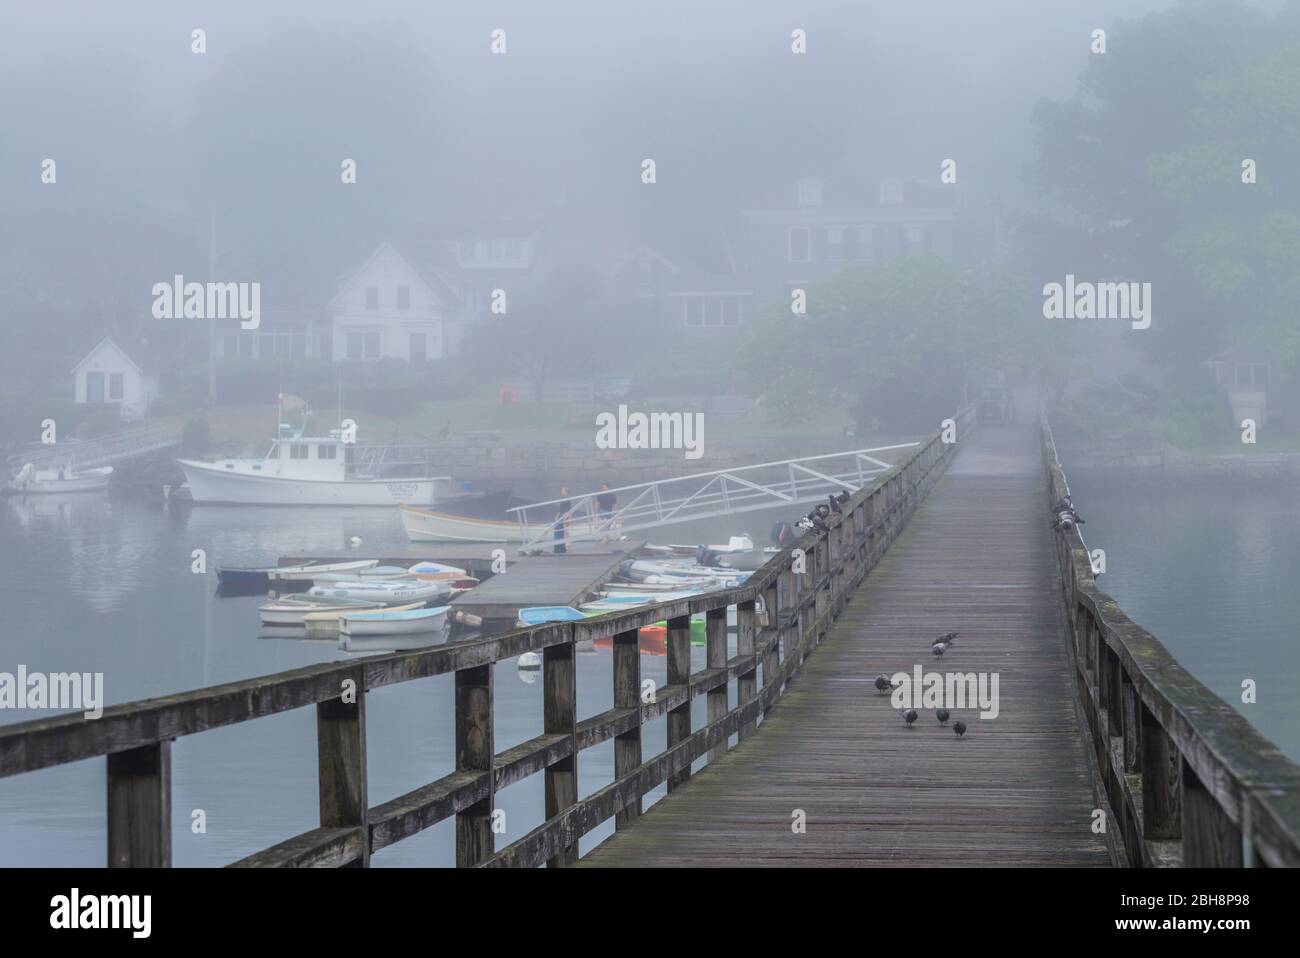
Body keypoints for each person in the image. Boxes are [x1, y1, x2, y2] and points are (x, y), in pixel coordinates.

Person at [553, 488, 571, 554]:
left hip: (564, 516)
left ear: (566, 492)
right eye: (561, 491)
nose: (561, 491)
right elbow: (560, 509)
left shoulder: (567, 499)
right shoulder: (563, 499)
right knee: (565, 530)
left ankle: (567, 543)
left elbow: (568, 510)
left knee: (565, 530)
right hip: (562, 516)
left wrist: (567, 518)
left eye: (563, 490)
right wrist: (557, 517)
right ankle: (567, 543)